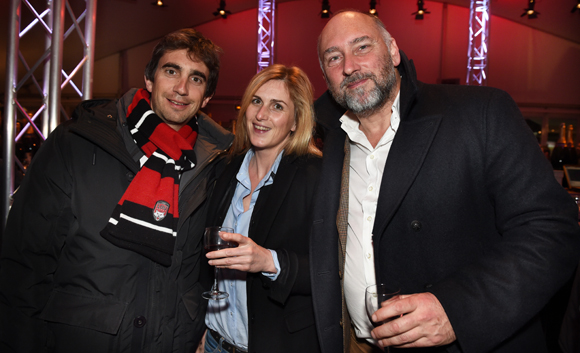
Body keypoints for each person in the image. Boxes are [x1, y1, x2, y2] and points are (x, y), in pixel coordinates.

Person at [310, 10, 580, 353]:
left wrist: (458, 310)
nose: (349, 65)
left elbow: (551, 231)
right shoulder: (328, 143)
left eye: (361, 47)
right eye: (334, 57)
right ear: (326, 76)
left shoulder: (480, 113)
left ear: (393, 51)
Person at [0, 28, 233, 352]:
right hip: (81, 340)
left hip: (170, 341)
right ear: (149, 79)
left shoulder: (216, 163)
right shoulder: (78, 143)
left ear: (207, 97)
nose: (182, 88)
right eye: (171, 71)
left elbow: (202, 269)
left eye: (196, 79)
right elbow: (26, 261)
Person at [203, 64, 322, 353]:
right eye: (256, 101)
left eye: (277, 106)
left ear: (296, 121)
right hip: (214, 342)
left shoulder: (316, 177)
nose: (261, 115)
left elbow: (332, 270)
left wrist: (269, 262)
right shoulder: (225, 167)